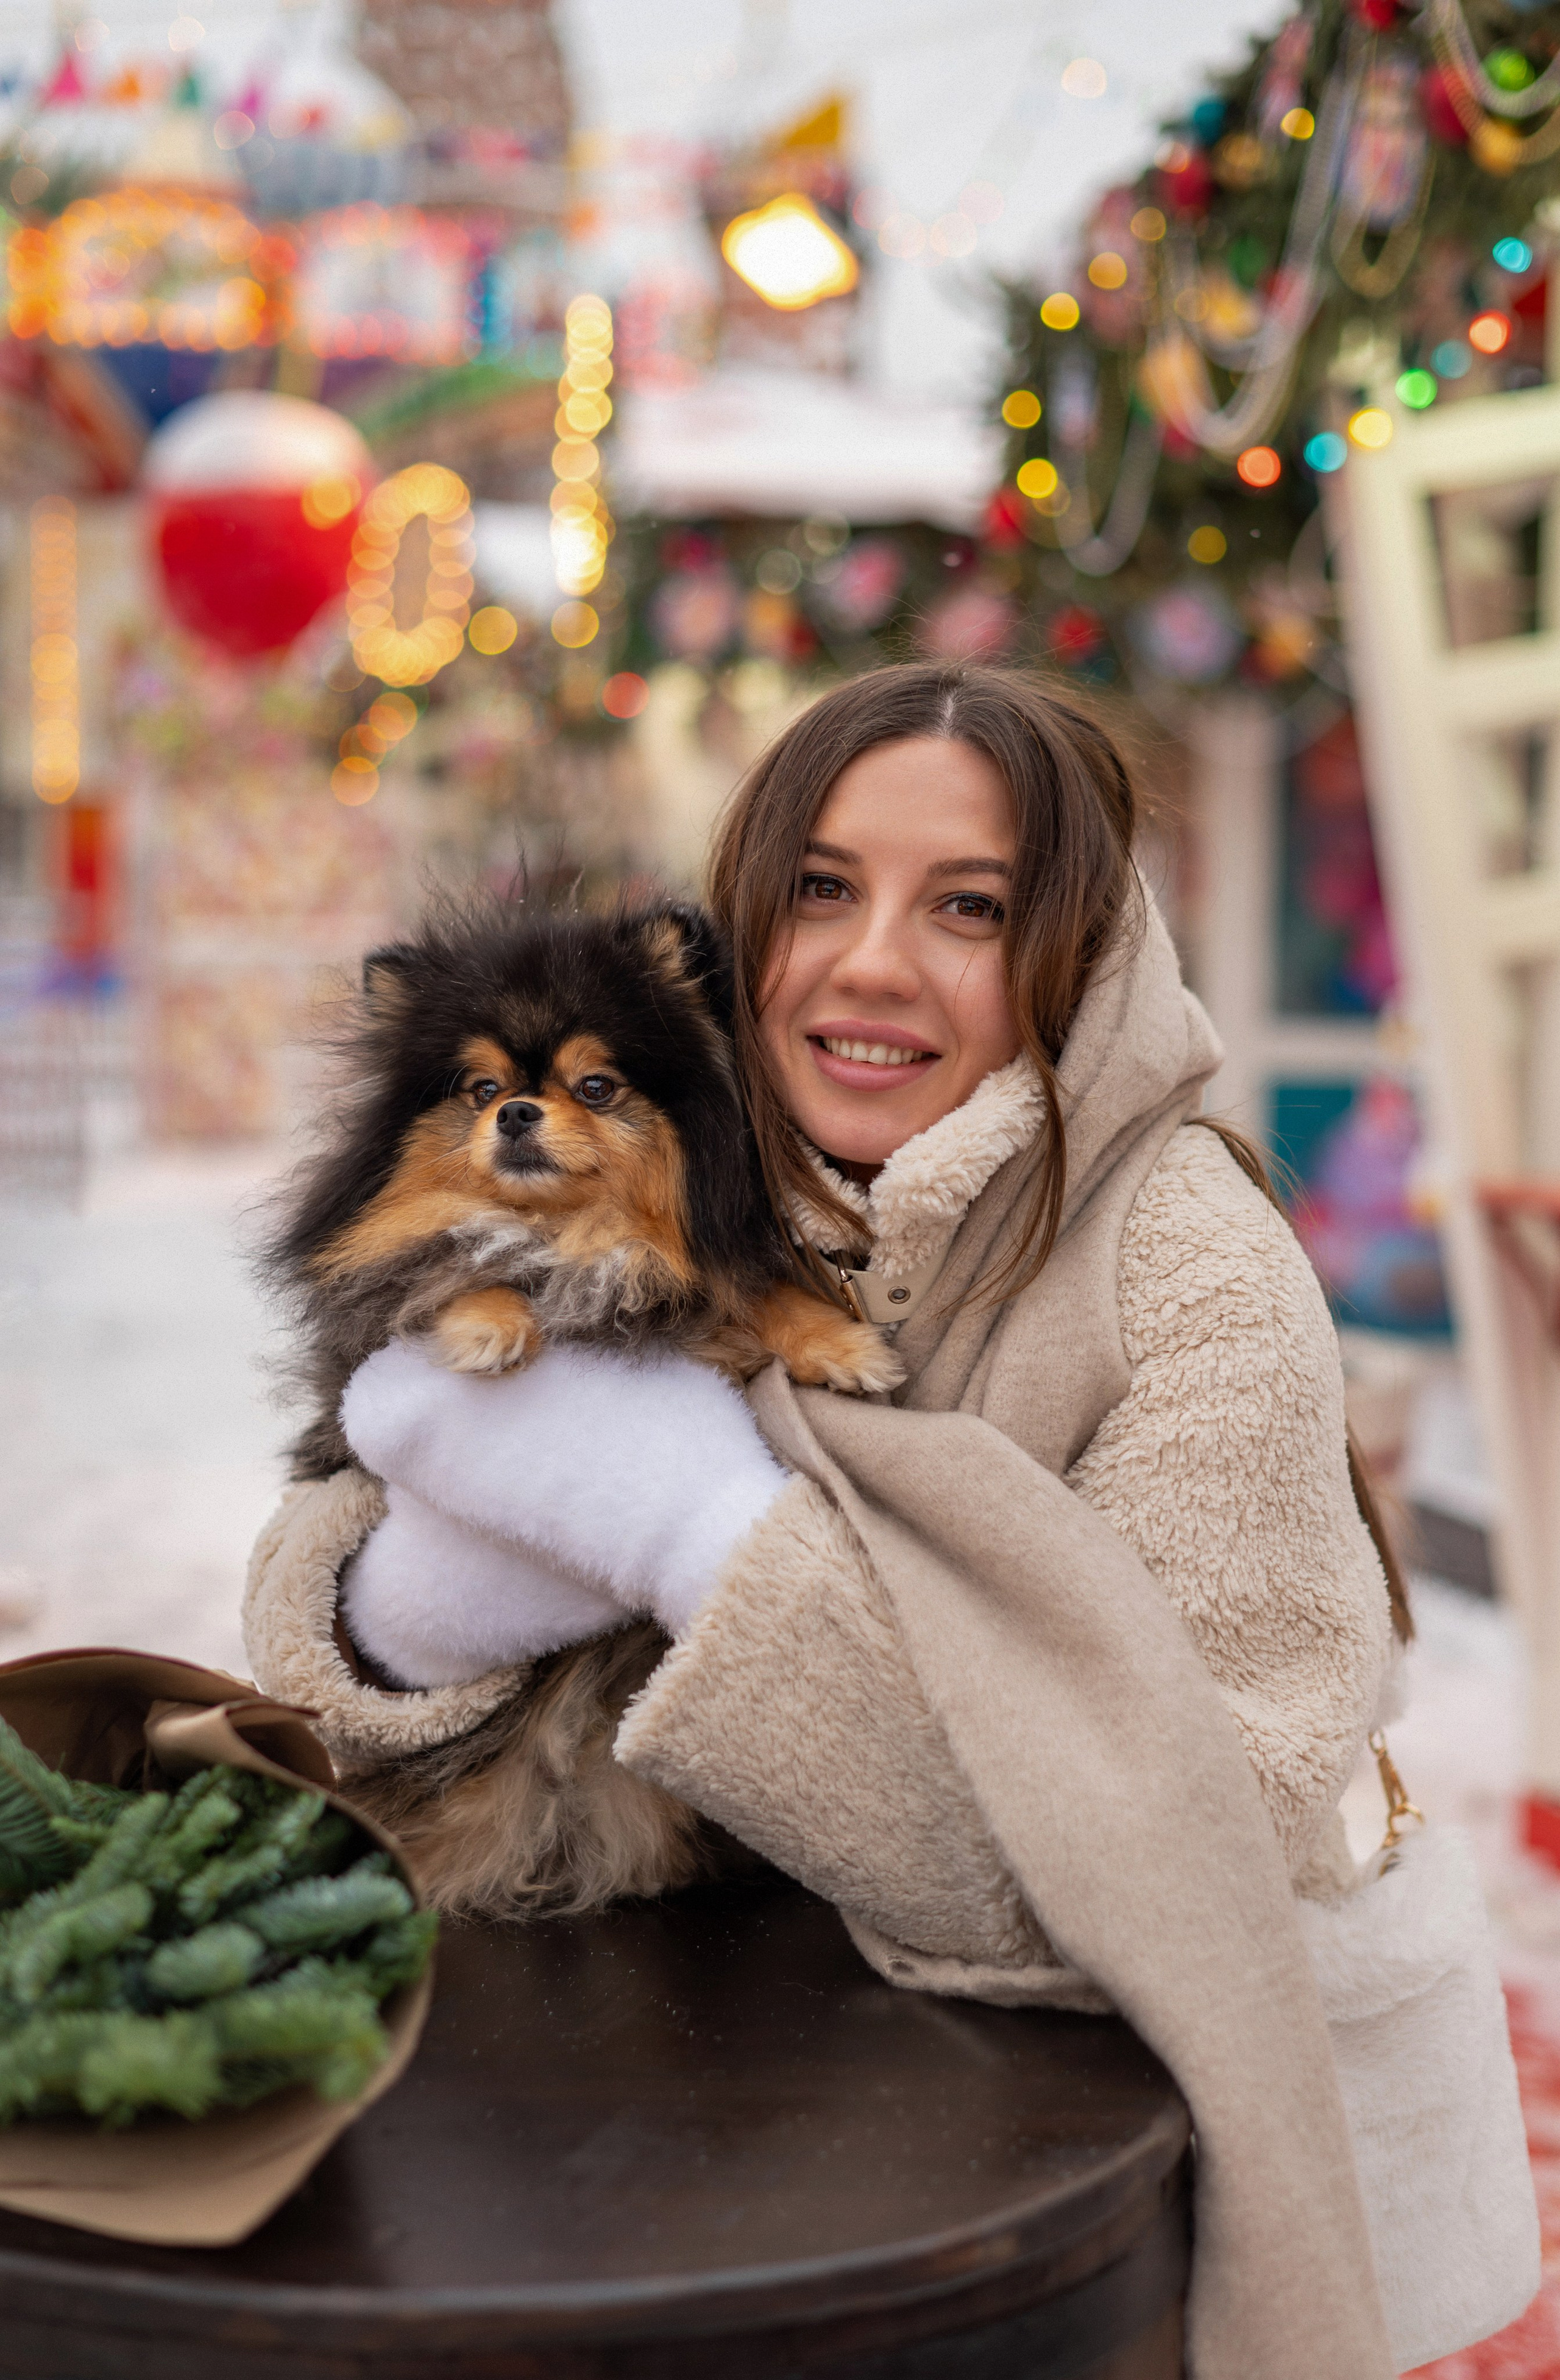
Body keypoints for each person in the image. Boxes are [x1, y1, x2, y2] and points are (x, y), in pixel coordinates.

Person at [244, 662, 1399, 2377]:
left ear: (1073, 949)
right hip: (613, 2082)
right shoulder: (691, 1166)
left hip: (1039, 2167)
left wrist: (691, 1528)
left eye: (971, 908)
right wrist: (408, 1611)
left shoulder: (1195, 1277)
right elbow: (303, 1623)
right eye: (822, 891)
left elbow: (1201, 1845)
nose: (872, 963)